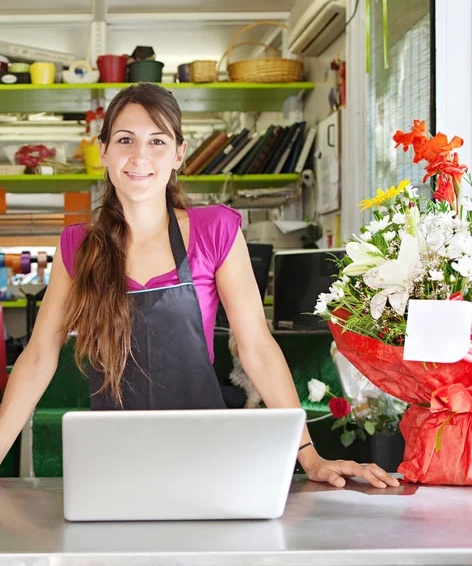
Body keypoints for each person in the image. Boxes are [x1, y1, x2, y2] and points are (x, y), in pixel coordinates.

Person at [0, 83, 399, 489]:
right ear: (103, 150)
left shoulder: (216, 230)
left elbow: (257, 348)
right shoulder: (79, 245)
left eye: (157, 140)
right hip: (114, 455)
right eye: (125, 139)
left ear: (178, 154)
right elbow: (37, 359)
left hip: (204, 452)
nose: (140, 156)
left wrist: (309, 456)